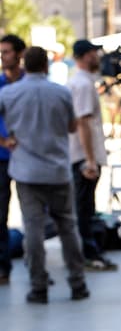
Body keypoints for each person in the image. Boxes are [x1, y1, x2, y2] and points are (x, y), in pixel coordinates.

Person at [0, 47, 89, 303]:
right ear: (46, 66)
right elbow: (73, 126)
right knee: (68, 228)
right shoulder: (61, 92)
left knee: (33, 230)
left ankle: (38, 287)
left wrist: (5, 141)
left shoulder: (9, 93)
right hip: (58, 170)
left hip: (27, 172)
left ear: (24, 65)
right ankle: (77, 283)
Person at [67, 39, 117, 272]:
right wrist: (89, 159)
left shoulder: (81, 82)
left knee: (84, 206)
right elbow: (83, 122)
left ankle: (86, 251)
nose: (98, 58)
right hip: (83, 157)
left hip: (82, 155)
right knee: (83, 208)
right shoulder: (83, 85)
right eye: (95, 53)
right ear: (86, 55)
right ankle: (87, 254)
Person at [0, 34, 25, 285]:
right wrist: (3, 141)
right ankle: (3, 267)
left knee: (34, 213)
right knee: (1, 213)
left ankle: (36, 265)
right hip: (3, 158)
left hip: (29, 158)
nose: (3, 57)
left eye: (6, 52)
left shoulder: (31, 82)